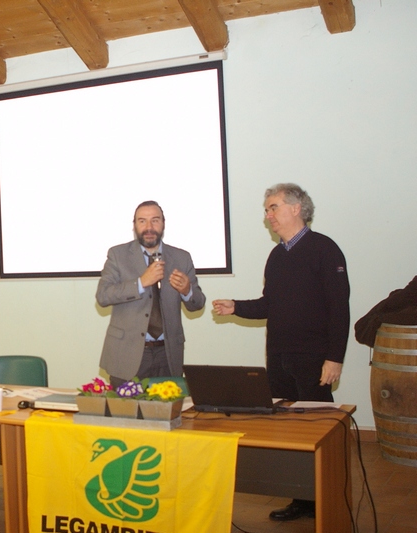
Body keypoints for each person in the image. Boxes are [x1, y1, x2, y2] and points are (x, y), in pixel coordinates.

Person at [212, 183, 350, 522]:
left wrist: (335, 358)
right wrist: (236, 307)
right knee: (288, 431)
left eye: (273, 207)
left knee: (316, 431)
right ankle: (301, 499)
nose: (268, 215)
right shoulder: (277, 255)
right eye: (266, 209)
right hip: (279, 360)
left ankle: (324, 499)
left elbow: (339, 308)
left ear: (296, 208)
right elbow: (269, 305)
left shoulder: (324, 249)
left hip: (314, 360)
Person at [96, 200, 206, 387]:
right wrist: (141, 283)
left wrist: (187, 291)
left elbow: (198, 303)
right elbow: (103, 295)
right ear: (134, 225)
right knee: (126, 414)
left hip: (168, 354)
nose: (149, 227)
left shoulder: (181, 257)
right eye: (142, 221)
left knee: (166, 414)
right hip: (127, 353)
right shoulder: (117, 254)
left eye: (155, 220)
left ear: (163, 223)